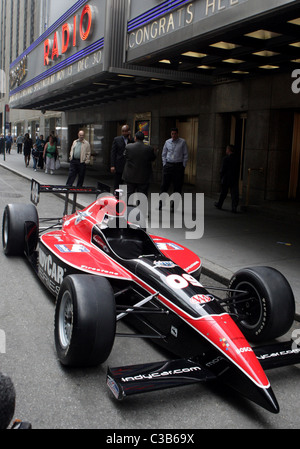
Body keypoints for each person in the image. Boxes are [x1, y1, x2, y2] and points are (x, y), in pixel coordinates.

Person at [159, 128, 188, 209]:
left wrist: (183, 166)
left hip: (178, 166)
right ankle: (161, 203)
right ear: (170, 134)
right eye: (172, 134)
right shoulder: (167, 142)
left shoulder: (182, 142)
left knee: (177, 186)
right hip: (168, 165)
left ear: (178, 134)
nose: (174, 135)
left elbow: (185, 154)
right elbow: (163, 154)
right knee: (164, 185)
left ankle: (174, 205)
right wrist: (164, 164)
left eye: (175, 134)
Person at [123, 131, 156, 200]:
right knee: (142, 194)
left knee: (129, 193)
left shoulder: (129, 147)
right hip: (144, 176)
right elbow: (153, 158)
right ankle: (141, 208)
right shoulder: (149, 148)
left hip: (130, 175)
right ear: (143, 138)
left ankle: (129, 208)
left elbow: (125, 156)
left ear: (135, 138)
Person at [214, 144, 240, 213]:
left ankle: (219, 204)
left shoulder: (226, 158)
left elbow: (222, 169)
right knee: (234, 193)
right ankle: (234, 207)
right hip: (234, 178)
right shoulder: (237, 159)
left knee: (223, 193)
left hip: (226, 178)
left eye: (226, 149)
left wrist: (221, 176)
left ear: (228, 150)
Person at [110, 125, 133, 191]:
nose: (124, 133)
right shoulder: (117, 139)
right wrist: (112, 165)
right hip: (119, 164)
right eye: (123, 131)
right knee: (117, 184)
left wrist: (130, 138)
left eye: (126, 131)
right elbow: (113, 153)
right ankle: (117, 198)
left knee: (127, 185)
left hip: (129, 166)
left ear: (129, 131)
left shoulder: (132, 140)